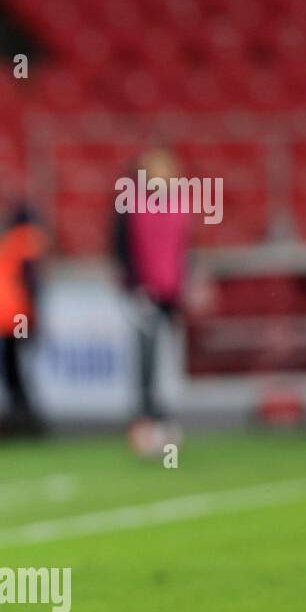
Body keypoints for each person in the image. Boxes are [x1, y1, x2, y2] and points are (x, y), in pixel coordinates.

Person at [113, 146, 190, 449]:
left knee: (167, 358)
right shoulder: (131, 204)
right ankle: (144, 420)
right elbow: (122, 246)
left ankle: (163, 418)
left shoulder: (178, 204)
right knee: (146, 356)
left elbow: (183, 248)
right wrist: (133, 285)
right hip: (144, 290)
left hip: (172, 290)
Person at [0, 205, 48, 435]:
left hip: (1, 315)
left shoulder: (5, 242)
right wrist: (34, 315)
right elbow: (31, 280)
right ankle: (23, 418)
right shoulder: (26, 239)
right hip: (16, 314)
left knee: (10, 368)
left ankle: (18, 416)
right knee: (16, 368)